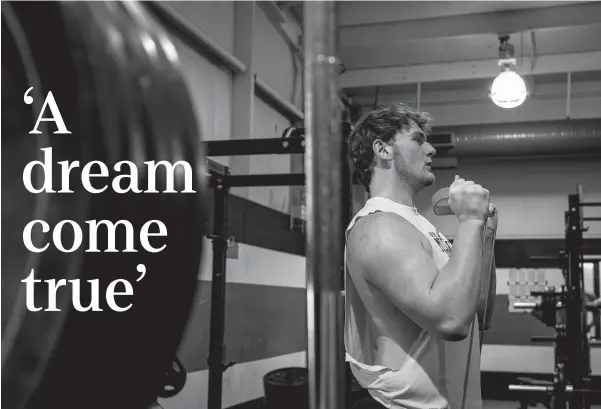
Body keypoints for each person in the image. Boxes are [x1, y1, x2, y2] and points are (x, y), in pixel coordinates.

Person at [344, 103, 497, 409]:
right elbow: (451, 321)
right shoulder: (377, 226)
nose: (431, 149)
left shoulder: (419, 226)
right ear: (383, 150)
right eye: (417, 139)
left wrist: (485, 233)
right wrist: (468, 221)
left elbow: (476, 311)